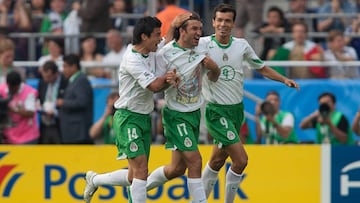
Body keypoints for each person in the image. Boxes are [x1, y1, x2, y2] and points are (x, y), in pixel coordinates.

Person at [196, 4, 299, 202]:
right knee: (241, 160)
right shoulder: (202, 44)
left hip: (236, 111)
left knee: (217, 160)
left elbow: (261, 67)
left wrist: (283, 80)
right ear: (213, 22)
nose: (223, 25)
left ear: (233, 24)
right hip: (216, 112)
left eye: (227, 21)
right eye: (219, 20)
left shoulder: (241, 45)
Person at [83, 14, 190, 203]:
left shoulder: (151, 52)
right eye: (157, 34)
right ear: (144, 37)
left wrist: (173, 25)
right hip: (127, 118)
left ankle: (95, 179)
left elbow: (166, 42)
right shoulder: (132, 60)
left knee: (134, 176)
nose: (160, 38)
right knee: (141, 170)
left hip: (144, 117)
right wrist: (169, 80)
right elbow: (155, 87)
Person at [145, 12, 220, 203]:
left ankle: (139, 188)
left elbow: (215, 74)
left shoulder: (203, 46)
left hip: (194, 114)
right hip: (176, 116)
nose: (199, 33)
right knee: (195, 160)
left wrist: (215, 68)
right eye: (194, 28)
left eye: (200, 29)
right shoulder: (166, 53)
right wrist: (168, 81)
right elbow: (155, 86)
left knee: (176, 169)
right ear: (182, 31)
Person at [57, 53, 93, 144]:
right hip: (72, 133)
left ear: (73, 67)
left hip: (78, 133)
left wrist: (63, 102)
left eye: (65, 66)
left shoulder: (81, 80)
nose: (63, 70)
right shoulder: (74, 80)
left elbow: (82, 102)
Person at [0, 71, 40, 144]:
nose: (11, 90)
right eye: (9, 87)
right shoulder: (2, 89)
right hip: (9, 137)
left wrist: (13, 109)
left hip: (27, 137)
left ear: (18, 85)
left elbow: (31, 113)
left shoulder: (29, 92)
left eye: (13, 88)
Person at [37, 60, 68, 144]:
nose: (46, 79)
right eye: (44, 76)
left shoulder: (65, 82)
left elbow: (67, 102)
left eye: (49, 77)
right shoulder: (42, 82)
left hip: (59, 124)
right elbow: (39, 98)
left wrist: (56, 112)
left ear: (56, 73)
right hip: (45, 123)